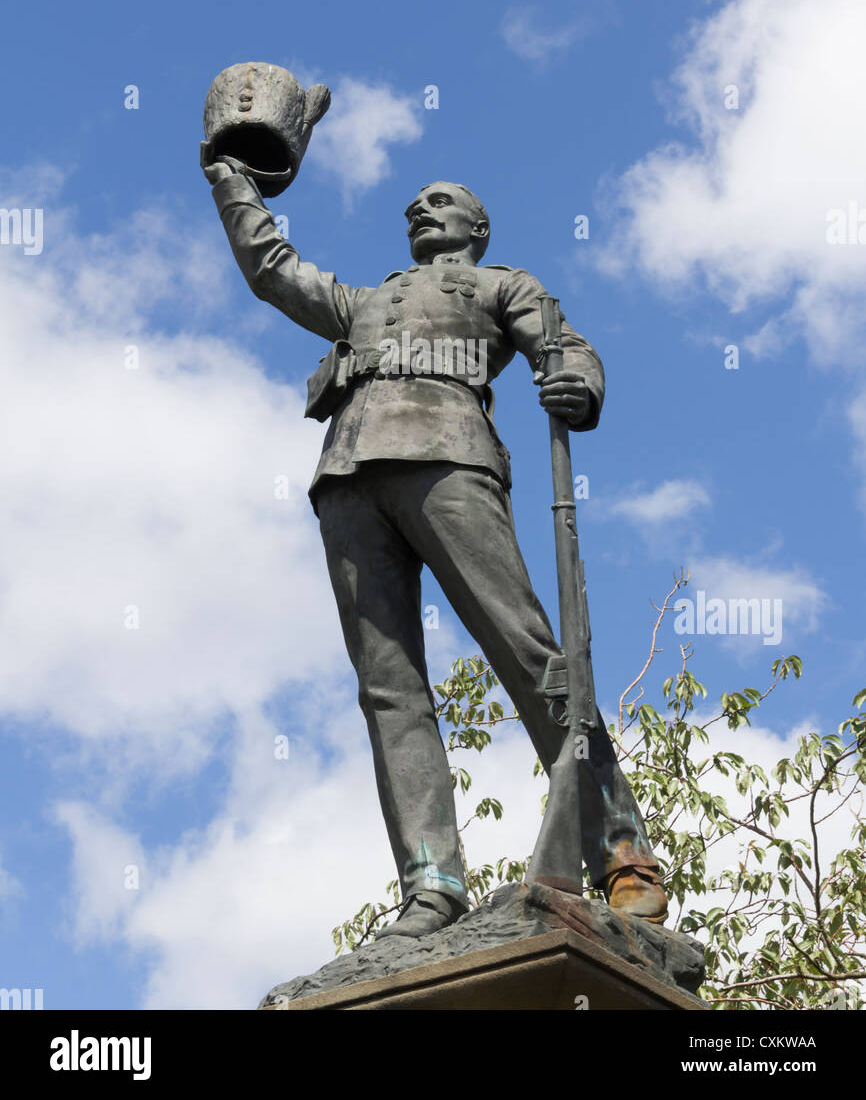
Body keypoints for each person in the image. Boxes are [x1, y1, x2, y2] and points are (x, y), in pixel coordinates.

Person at [205, 156, 668, 936]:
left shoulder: (499, 285)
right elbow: (272, 269)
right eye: (414, 202)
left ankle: (621, 853)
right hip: (349, 476)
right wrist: (233, 183)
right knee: (388, 689)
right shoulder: (362, 300)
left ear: (477, 229)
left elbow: (567, 348)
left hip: (450, 457)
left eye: (442, 200)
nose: (422, 207)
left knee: (529, 657)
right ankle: (432, 881)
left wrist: (577, 382)